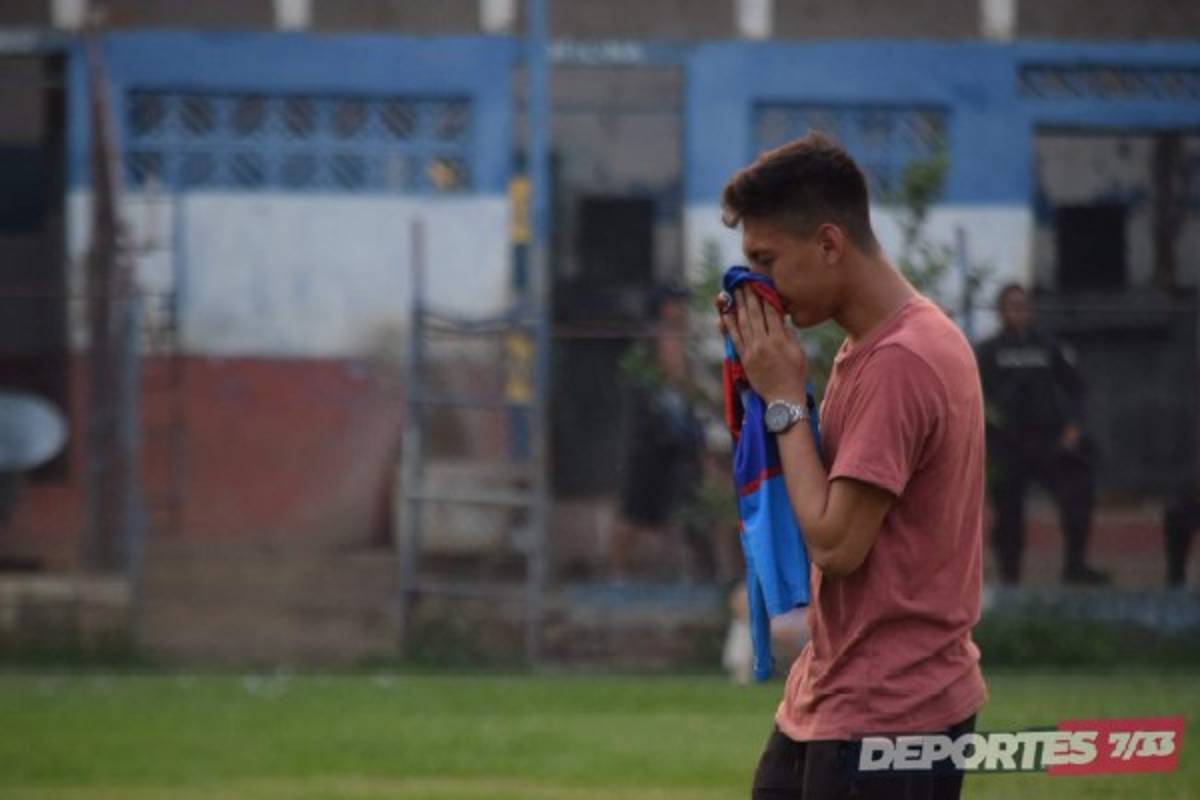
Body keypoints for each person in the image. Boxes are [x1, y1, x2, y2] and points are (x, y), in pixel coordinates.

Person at [718, 132, 987, 799]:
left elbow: (838, 544)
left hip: (892, 715)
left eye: (766, 261)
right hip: (832, 693)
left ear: (830, 244)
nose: (757, 288)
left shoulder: (902, 361)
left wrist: (784, 401)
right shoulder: (873, 344)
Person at [974, 284, 1108, 585]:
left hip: (1049, 440)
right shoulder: (988, 351)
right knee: (1008, 514)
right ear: (1001, 311)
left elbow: (1076, 387)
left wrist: (1073, 426)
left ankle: (1075, 567)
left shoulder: (1048, 346)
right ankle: (1011, 578)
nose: (1019, 311)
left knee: (1078, 491)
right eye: (1012, 305)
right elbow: (974, 397)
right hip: (1007, 445)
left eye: (1024, 305)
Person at [609, 287, 710, 581]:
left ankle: (683, 573)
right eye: (675, 305)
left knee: (681, 508)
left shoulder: (687, 340)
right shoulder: (651, 342)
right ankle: (618, 573)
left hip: (681, 436)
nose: (681, 311)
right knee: (633, 508)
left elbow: (689, 384)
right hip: (649, 436)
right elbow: (658, 379)